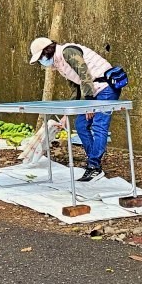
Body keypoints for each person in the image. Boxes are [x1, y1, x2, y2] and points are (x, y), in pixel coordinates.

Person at [29, 36, 118, 182]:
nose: (41, 62)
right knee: (81, 125)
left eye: (41, 58)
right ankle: (94, 163)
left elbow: (85, 75)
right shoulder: (59, 64)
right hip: (93, 90)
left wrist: (89, 104)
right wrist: (66, 115)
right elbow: (75, 88)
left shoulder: (67, 52)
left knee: (99, 125)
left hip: (105, 87)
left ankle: (94, 167)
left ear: (47, 51)